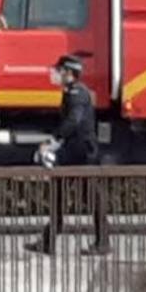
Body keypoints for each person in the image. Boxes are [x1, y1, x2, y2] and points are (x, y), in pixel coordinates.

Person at [26, 56, 110, 257]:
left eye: (60, 70)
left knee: (90, 198)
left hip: (82, 154)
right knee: (61, 195)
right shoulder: (71, 93)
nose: (56, 74)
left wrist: (52, 141)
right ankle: (49, 241)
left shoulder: (77, 94)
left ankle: (102, 243)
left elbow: (73, 121)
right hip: (74, 153)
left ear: (69, 73)